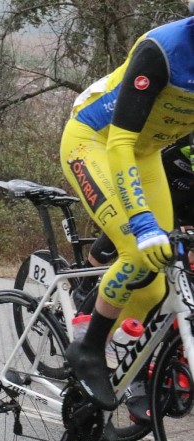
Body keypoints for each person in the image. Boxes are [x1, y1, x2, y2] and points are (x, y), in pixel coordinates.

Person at [61, 13, 194, 411]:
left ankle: (126, 374)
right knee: (139, 250)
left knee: (155, 283)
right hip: (96, 141)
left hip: (147, 152)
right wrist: (141, 221)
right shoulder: (163, 50)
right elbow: (120, 142)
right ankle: (88, 349)